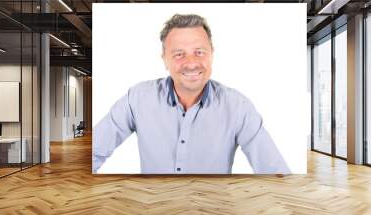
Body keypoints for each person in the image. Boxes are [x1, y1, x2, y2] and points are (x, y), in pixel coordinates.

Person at [93, 14, 291, 174]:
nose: (191, 63)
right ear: (164, 59)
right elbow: (93, 152)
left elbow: (275, 173)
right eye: (179, 54)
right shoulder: (137, 99)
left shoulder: (238, 106)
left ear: (212, 54)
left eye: (199, 52)